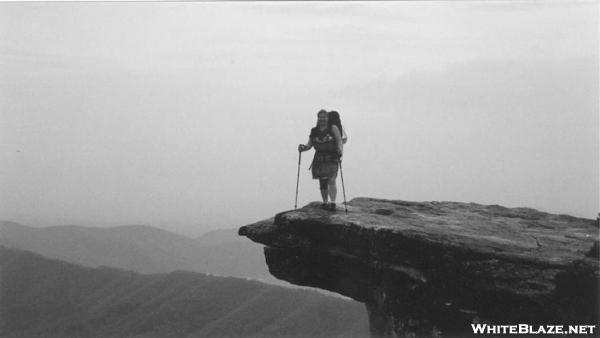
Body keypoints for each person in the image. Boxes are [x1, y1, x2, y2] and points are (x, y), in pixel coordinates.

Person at [298, 109, 345, 211]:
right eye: (321, 117)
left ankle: (332, 203)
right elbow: (309, 145)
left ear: (327, 118)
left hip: (332, 157)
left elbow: (339, 141)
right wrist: (303, 148)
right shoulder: (314, 131)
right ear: (318, 118)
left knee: (332, 180)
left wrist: (340, 151)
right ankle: (325, 202)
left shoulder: (333, 128)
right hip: (319, 159)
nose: (323, 119)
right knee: (322, 182)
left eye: (325, 117)